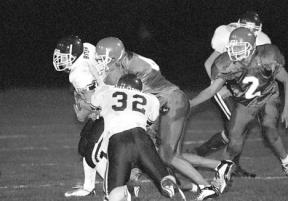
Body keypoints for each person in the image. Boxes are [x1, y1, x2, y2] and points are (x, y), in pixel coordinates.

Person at [92, 37, 235, 200]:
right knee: (171, 155)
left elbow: (128, 96)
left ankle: (206, 187)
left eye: (104, 58)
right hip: (166, 103)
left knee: (167, 155)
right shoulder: (125, 61)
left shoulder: (132, 66)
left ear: (116, 56)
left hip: (170, 103)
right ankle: (219, 166)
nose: (101, 62)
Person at [189, 27, 288, 177]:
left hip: (268, 97)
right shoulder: (228, 63)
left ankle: (286, 162)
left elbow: (286, 79)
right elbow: (211, 90)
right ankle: (223, 174)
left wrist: (287, 108)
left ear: (251, 47)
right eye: (233, 47)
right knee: (234, 137)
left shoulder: (266, 57)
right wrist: (190, 103)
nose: (235, 51)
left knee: (269, 129)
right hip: (247, 103)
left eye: (239, 47)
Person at [74, 73, 187, 201]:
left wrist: (83, 105)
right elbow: (149, 122)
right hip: (142, 140)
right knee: (163, 178)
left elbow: (94, 108)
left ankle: (118, 194)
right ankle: (167, 183)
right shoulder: (150, 98)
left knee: (115, 192)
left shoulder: (107, 91)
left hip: (118, 142)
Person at [53, 35, 111, 197]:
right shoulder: (86, 47)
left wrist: (82, 111)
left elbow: (93, 101)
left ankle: (116, 187)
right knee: (84, 147)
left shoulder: (77, 74)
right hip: (107, 96)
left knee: (93, 153)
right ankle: (88, 187)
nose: (61, 61)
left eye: (65, 58)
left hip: (107, 108)